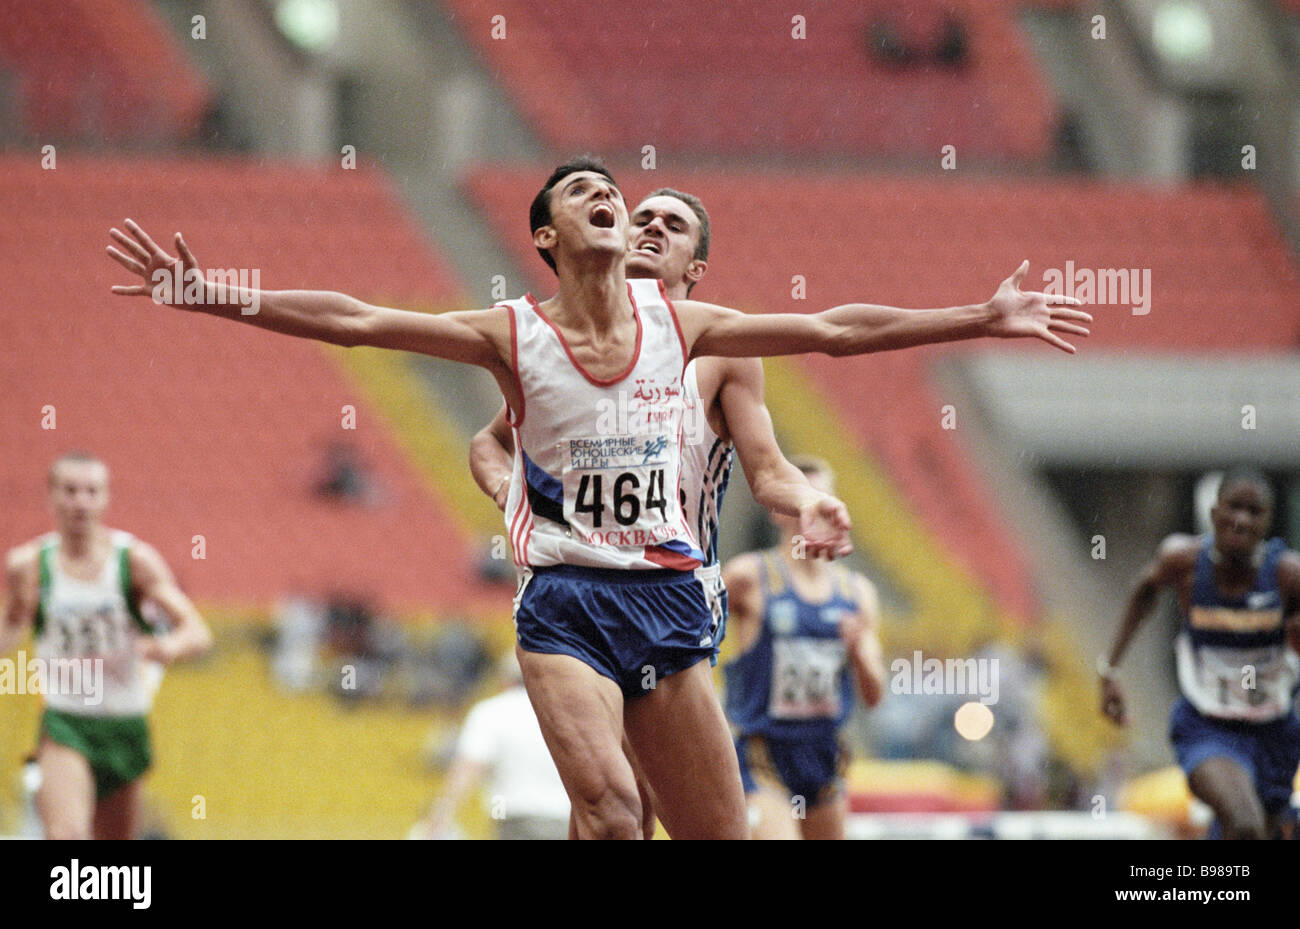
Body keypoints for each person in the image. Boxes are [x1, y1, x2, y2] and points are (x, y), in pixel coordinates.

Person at [106, 156, 1088, 839]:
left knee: (706, 828)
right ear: (544, 233)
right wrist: (215, 292)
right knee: (615, 813)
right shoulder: (512, 333)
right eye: (587, 192)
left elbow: (831, 329)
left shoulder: (694, 326)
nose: (616, 201)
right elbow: (362, 321)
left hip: (671, 599)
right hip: (568, 602)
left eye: (619, 194)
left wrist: (981, 315)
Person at [469, 186, 855, 838]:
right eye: (641, 217)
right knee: (619, 807)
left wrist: (809, 499)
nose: (651, 227)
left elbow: (767, 470)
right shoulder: (579, 346)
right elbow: (490, 441)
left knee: (654, 803)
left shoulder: (725, 352)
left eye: (672, 226)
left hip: (679, 593)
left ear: (695, 268)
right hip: (587, 589)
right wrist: (513, 490)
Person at [1, 452, 212, 839]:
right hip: (66, 721)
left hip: (125, 723)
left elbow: (196, 632)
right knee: (68, 838)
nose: (80, 501)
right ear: (51, 498)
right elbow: (8, 633)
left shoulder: (134, 563)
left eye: (91, 491)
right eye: (69, 491)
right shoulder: (28, 566)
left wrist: (166, 648)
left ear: (105, 499)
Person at [1099, 466, 1300, 839]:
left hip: (1275, 732)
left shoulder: (1287, 576)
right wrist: (1109, 670)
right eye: (1233, 508)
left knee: (1264, 831)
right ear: (1214, 514)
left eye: (1254, 513)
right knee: (1244, 824)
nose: (1241, 521)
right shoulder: (1184, 562)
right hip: (1208, 726)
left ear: (1268, 521)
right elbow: (1144, 591)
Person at [721, 457, 886, 839]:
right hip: (764, 755)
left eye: (824, 499)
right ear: (780, 513)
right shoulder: (749, 576)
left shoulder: (857, 592)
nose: (815, 512)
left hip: (824, 757)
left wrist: (859, 651)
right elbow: (690, 630)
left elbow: (874, 694)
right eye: (804, 501)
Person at [413, 652, 570, 840]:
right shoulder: (564, 712)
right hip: (567, 819)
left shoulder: (490, 712)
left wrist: (441, 815)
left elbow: (468, 769)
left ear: (504, 679)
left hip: (514, 819)